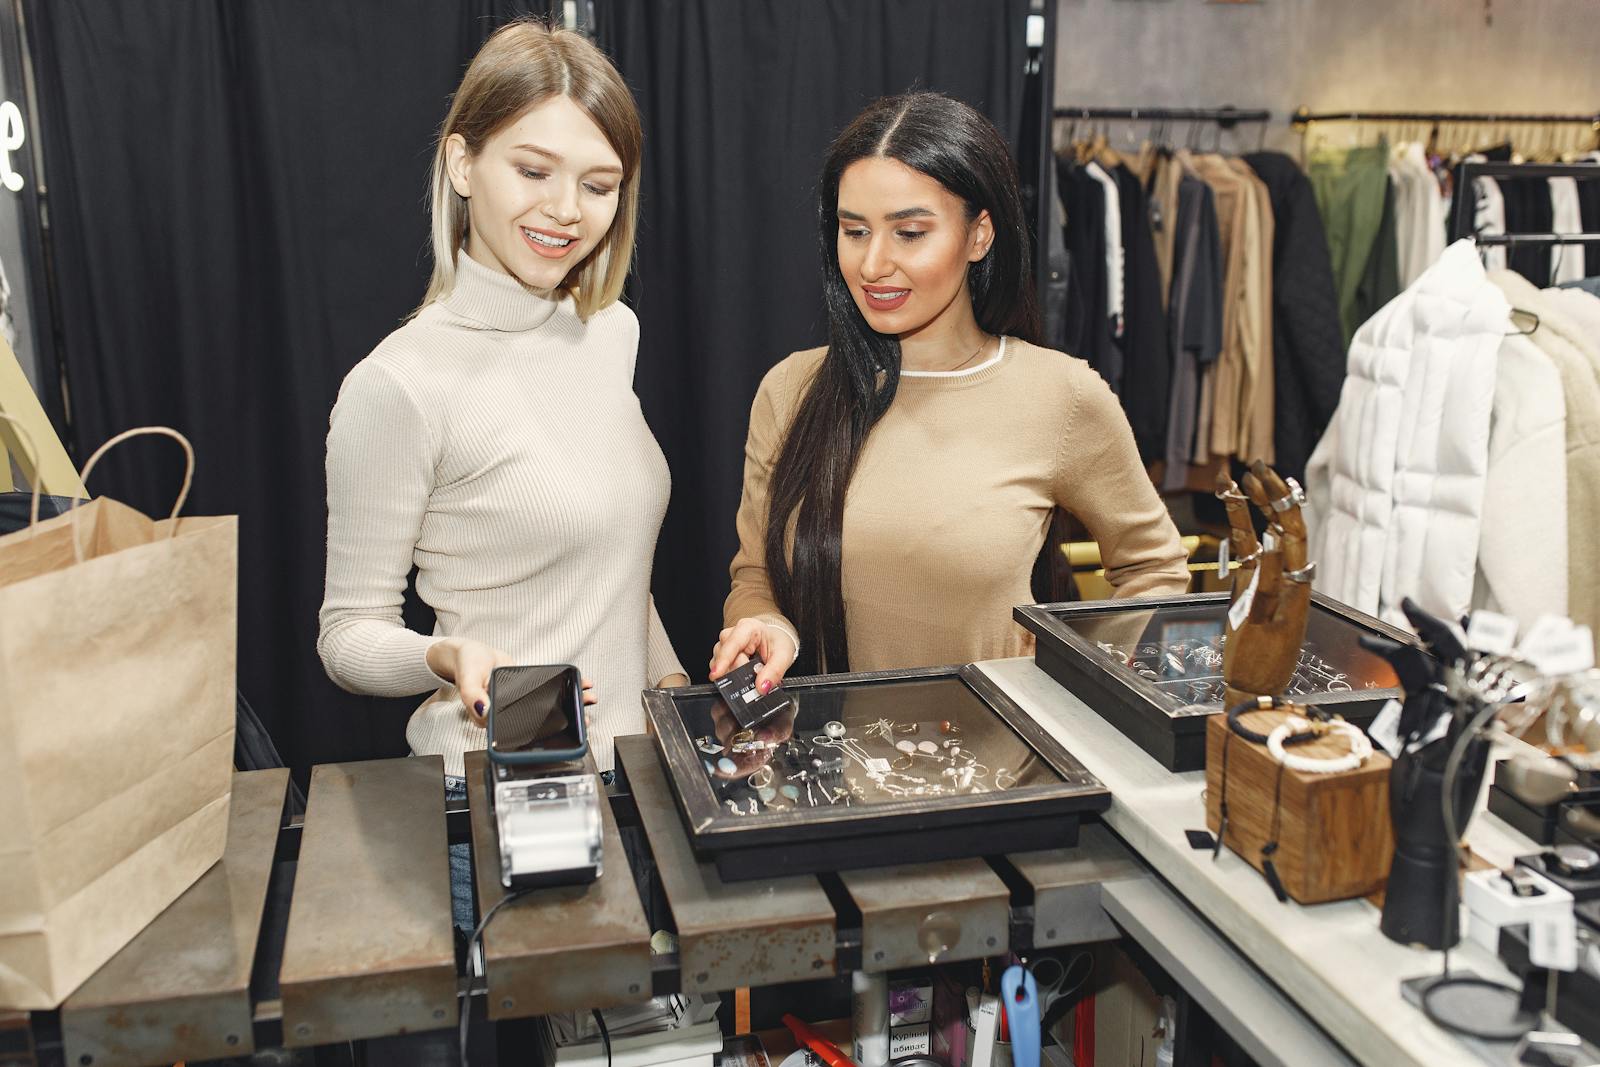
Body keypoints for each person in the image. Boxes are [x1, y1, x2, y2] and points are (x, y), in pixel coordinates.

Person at [317, 21, 685, 925]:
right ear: (461, 163)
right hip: (493, 800)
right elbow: (346, 633)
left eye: (599, 185)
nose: (567, 208)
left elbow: (612, 562)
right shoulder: (397, 385)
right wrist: (441, 655)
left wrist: (681, 701)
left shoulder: (613, 334)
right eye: (533, 170)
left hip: (642, 790)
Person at [711, 92, 1189, 690]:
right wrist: (764, 622)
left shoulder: (1059, 395)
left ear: (979, 235)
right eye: (854, 230)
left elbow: (1153, 569)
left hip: (1002, 771)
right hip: (829, 771)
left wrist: (1082, 694)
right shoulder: (793, 390)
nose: (873, 264)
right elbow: (754, 572)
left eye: (909, 233)